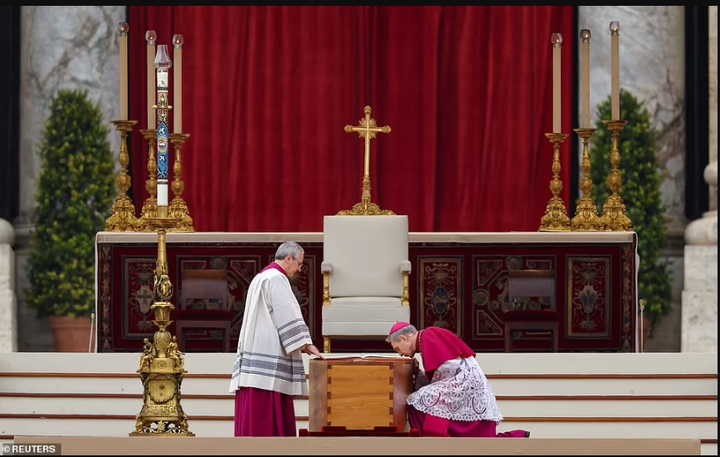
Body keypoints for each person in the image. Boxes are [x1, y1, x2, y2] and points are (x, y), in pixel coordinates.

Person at [229, 241, 324, 437]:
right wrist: (305, 344)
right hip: (269, 350)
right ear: (289, 257)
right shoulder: (277, 279)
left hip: (255, 348)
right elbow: (286, 312)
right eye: (299, 263)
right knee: (269, 404)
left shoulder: (260, 277)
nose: (299, 269)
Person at [386, 322, 530, 438]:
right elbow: (443, 370)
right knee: (425, 397)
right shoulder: (424, 338)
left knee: (416, 400)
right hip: (464, 380)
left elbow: (445, 370)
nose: (401, 354)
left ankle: (431, 438)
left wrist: (421, 379)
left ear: (404, 338)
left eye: (398, 349)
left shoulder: (428, 334)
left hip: (465, 381)